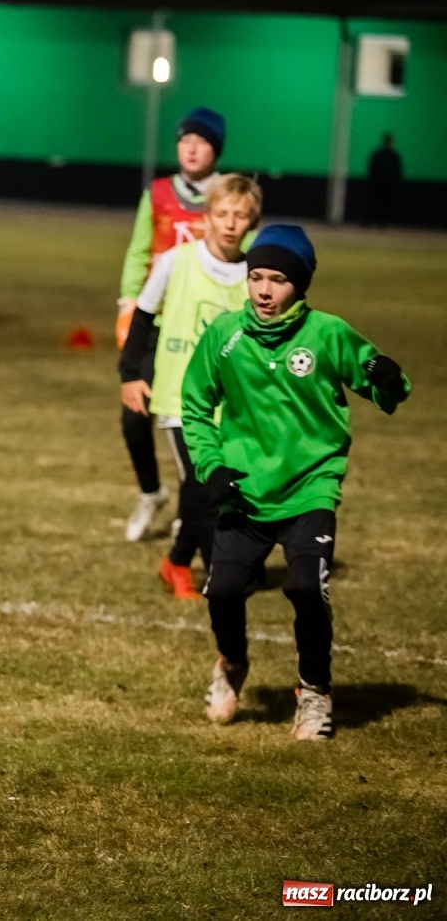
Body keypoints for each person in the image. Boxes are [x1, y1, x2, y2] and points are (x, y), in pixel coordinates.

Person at [182, 224, 409, 740]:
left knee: (306, 587)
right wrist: (212, 467)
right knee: (222, 592)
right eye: (256, 276)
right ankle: (232, 663)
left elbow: (370, 366)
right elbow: (194, 407)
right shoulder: (224, 336)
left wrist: (386, 376)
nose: (264, 290)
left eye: (278, 280)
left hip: (310, 486)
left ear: (300, 285)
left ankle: (314, 693)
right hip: (245, 488)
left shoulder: (326, 333)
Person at [118, 175, 260, 600]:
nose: (231, 224)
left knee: (215, 484)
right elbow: (142, 318)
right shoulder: (176, 262)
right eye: (222, 214)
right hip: (180, 395)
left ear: (252, 221)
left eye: (240, 216)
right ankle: (218, 569)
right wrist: (131, 375)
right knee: (201, 480)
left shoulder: (256, 272)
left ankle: (176, 561)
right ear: (207, 217)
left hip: (230, 402)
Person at [117, 107, 225, 542]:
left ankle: (191, 512)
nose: (192, 148)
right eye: (185, 140)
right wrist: (127, 303)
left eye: (201, 141)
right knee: (134, 417)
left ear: (216, 148)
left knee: (193, 426)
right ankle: (150, 493)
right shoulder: (159, 192)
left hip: (206, 326)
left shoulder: (228, 196)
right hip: (159, 323)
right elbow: (139, 250)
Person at [366, 133, 402, 229]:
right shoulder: (378, 155)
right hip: (377, 185)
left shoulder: (394, 157)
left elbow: (397, 171)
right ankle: (371, 221)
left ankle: (383, 223)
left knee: (386, 204)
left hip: (388, 185)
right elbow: (372, 169)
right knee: (375, 203)